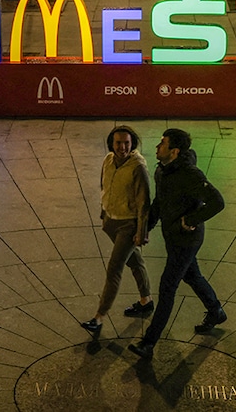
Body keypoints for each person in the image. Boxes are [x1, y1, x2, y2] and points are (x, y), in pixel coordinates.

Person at [128, 129, 226, 360]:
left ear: (174, 151)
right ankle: (216, 311)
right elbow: (159, 203)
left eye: (162, 144)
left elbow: (217, 202)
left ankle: (148, 343)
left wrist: (190, 220)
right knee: (192, 275)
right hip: (172, 236)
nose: (156, 147)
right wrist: (145, 229)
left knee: (167, 287)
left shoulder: (190, 174)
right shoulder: (163, 171)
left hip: (187, 240)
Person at [80, 125, 154, 333]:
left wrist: (141, 231)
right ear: (111, 144)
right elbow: (104, 186)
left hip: (128, 225)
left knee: (114, 268)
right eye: (118, 143)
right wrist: (104, 212)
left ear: (133, 144)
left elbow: (144, 202)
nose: (122, 147)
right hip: (111, 221)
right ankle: (146, 300)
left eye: (126, 143)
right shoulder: (108, 160)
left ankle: (99, 317)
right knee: (134, 260)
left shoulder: (137, 167)